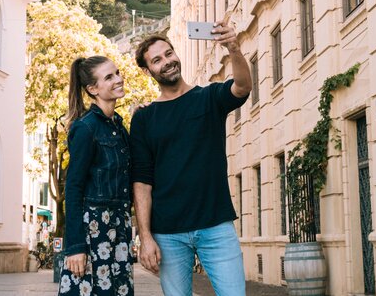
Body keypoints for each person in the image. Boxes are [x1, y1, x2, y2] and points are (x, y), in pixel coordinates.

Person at [129, 25, 252, 296]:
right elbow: (142, 182)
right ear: (148, 71)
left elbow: (243, 87)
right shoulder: (144, 118)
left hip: (216, 224)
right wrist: (145, 237)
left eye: (169, 53)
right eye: (157, 60)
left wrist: (233, 48)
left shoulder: (209, 98)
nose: (167, 61)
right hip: (168, 233)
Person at [58, 56, 135, 296]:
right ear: (93, 89)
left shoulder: (119, 127)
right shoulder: (86, 127)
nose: (119, 79)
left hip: (119, 228)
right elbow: (73, 188)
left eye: (117, 73)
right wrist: (75, 247)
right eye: (109, 77)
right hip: (94, 230)